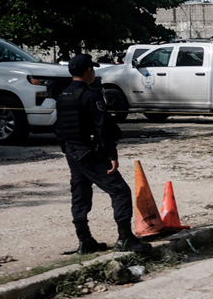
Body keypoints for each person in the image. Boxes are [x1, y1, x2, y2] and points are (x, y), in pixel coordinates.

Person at [56, 54, 149, 254]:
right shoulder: (90, 95)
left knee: (80, 194)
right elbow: (102, 128)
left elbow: (59, 128)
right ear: (88, 71)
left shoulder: (63, 95)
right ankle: (125, 238)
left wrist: (68, 150)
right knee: (120, 191)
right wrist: (111, 156)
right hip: (90, 152)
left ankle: (85, 240)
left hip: (73, 153)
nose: (94, 72)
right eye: (92, 68)